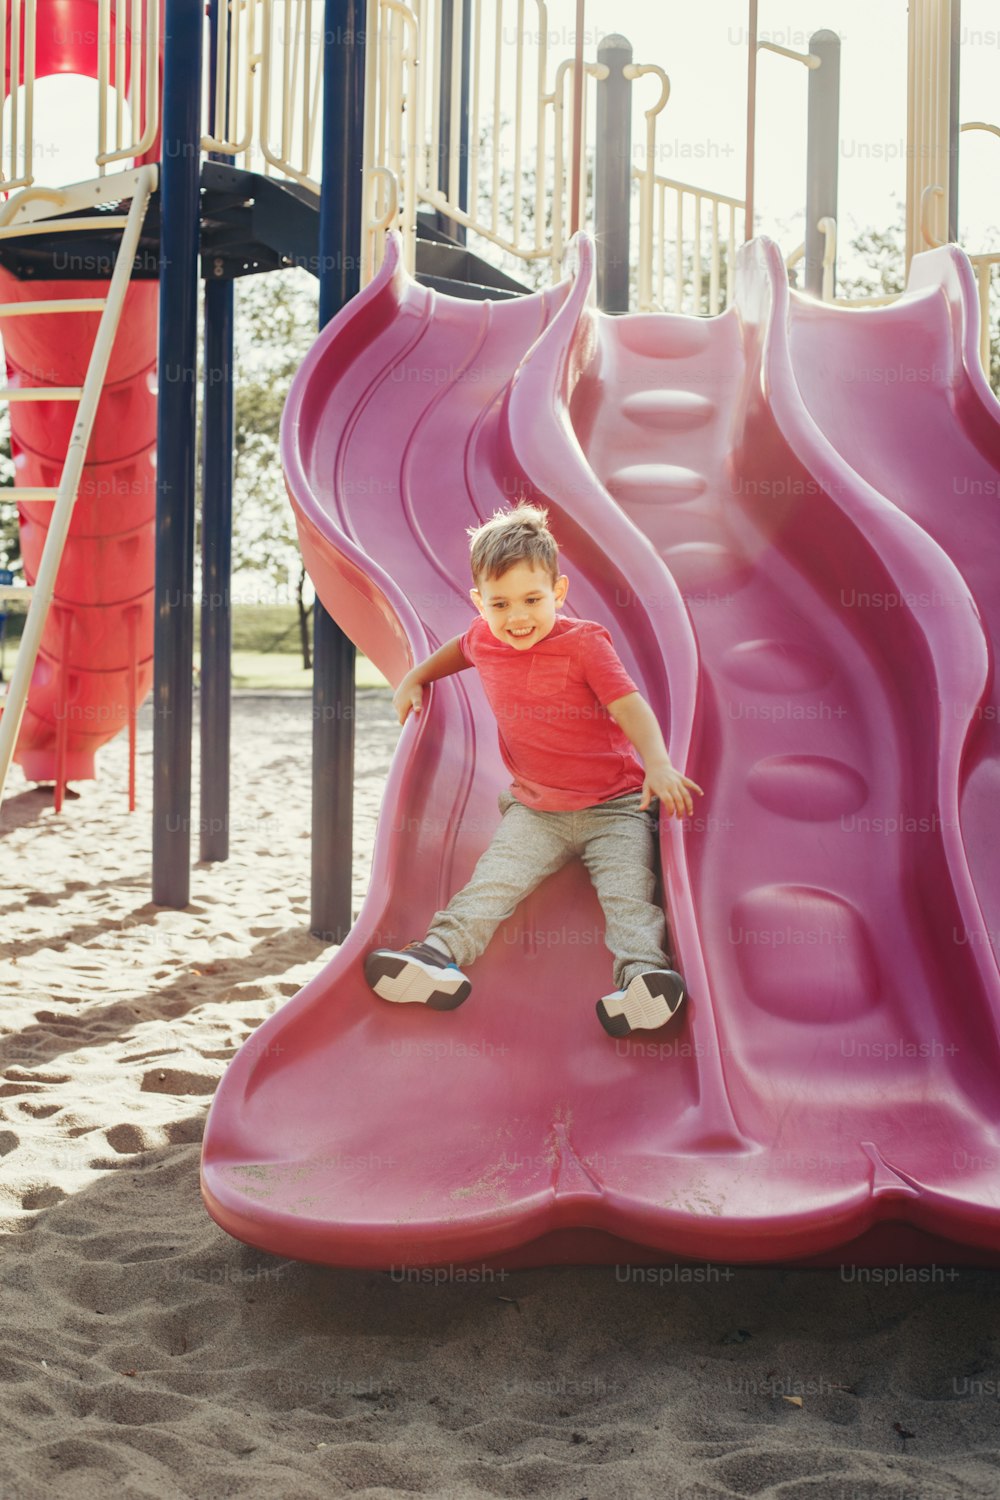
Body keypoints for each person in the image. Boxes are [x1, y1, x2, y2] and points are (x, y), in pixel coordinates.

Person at [364, 503, 704, 1036]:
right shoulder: (484, 637)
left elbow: (628, 705)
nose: (517, 617)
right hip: (536, 810)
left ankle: (643, 981)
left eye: (532, 599)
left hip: (615, 806)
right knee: (493, 882)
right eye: (500, 603)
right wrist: (415, 676)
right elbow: (458, 649)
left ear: (559, 593)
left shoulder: (584, 643)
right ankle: (435, 958)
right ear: (479, 602)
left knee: (628, 892)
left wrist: (657, 764)